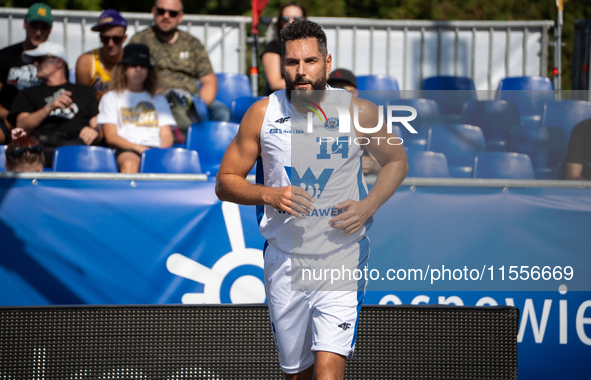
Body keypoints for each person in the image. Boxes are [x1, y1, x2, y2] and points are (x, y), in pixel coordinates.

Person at [216, 20, 407, 379]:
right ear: (283, 66)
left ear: (327, 62)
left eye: (310, 61)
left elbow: (397, 160)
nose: (301, 71)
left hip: (341, 258)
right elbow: (224, 182)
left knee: (328, 373)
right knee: (296, 374)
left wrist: (368, 205)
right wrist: (269, 194)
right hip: (284, 263)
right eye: (292, 63)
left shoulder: (359, 111)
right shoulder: (262, 114)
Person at [129, 0, 230, 141]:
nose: (166, 16)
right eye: (161, 11)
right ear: (153, 12)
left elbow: (209, 80)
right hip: (154, 98)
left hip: (190, 99)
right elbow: (129, 75)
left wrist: (198, 106)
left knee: (221, 112)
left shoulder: (192, 43)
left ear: (180, 17)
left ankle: (216, 157)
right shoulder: (139, 41)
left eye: (172, 13)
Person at [7, 41, 101, 168]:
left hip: (76, 149)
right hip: (39, 150)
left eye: (40, 59)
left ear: (59, 62)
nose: (35, 64)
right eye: (34, 61)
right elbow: (21, 124)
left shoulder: (84, 91)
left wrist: (95, 132)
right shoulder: (28, 93)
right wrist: (50, 107)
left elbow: (97, 127)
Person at [97, 44, 175, 173]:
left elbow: (166, 134)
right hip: (125, 149)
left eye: (143, 66)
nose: (138, 69)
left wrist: (157, 153)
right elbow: (111, 136)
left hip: (155, 149)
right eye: (133, 65)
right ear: (123, 68)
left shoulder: (159, 100)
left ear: (149, 71)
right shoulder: (111, 97)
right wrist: (139, 148)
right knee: (129, 164)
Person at [0, 2, 53, 145]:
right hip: (7, 119)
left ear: (51, 29)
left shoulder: (55, 60)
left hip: (43, 120)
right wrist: (7, 116)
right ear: (24, 24)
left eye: (44, 27)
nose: (38, 32)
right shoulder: (6, 56)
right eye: (34, 25)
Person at [327, 67, 380, 175]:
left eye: (343, 88)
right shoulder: (312, 118)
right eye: (332, 87)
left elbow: (388, 162)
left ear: (355, 93)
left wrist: (371, 165)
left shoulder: (365, 122)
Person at [75, 9, 128, 101]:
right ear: (100, 38)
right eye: (105, 39)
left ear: (124, 38)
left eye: (116, 39)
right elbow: (83, 102)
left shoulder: (133, 61)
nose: (110, 44)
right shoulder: (86, 62)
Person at [261, 1, 307, 96]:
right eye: (285, 19)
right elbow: (275, 83)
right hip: (283, 99)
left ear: (305, 20)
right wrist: (305, 86)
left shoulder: (314, 45)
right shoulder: (273, 47)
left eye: (296, 18)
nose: (291, 22)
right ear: (280, 22)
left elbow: (324, 75)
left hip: (311, 97)